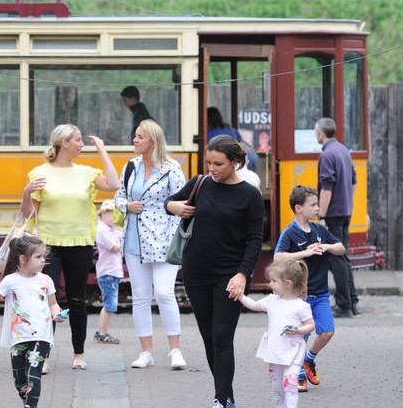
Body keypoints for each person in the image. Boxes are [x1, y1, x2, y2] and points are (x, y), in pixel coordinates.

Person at [165, 134, 264, 408]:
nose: (212, 168)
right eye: (209, 162)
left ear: (235, 163)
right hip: (196, 274)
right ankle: (226, 394)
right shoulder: (200, 183)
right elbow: (170, 202)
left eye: (218, 163)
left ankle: (221, 399)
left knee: (222, 336)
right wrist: (173, 206)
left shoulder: (250, 195)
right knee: (209, 338)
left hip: (230, 275)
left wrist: (243, 273)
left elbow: (255, 239)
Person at [20, 124, 119, 371]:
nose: (81, 144)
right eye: (78, 139)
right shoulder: (39, 173)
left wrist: (102, 150)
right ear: (65, 143)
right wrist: (26, 192)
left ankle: (78, 354)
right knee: (46, 300)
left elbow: (114, 183)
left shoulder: (86, 172)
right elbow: (29, 213)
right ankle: (43, 356)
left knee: (77, 300)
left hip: (80, 243)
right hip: (49, 245)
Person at [114, 119, 188, 370]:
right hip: (134, 240)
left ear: (153, 142)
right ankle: (146, 351)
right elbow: (118, 197)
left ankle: (175, 350)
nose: (134, 140)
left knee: (165, 293)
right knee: (141, 297)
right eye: (135, 136)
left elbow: (184, 204)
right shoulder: (130, 166)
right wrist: (127, 206)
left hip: (164, 240)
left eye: (139, 137)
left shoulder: (172, 169)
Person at [0, 234, 67, 408]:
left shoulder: (45, 280)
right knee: (20, 378)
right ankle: (27, 400)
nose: (43, 261)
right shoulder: (10, 281)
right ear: (23, 259)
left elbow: (53, 304)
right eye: (38, 257)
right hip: (18, 336)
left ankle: (31, 405)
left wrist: (58, 314)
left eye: (43, 257)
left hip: (42, 335)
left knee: (34, 374)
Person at [274, 184, 346, 393]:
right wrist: (304, 253)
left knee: (327, 332)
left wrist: (327, 247)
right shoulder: (290, 233)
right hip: (300, 296)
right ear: (298, 208)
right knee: (301, 336)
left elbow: (341, 249)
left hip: (321, 294)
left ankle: (308, 360)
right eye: (313, 205)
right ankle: (298, 372)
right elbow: (278, 257)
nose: (317, 208)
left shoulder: (320, 230)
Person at [240, 259, 315, 408]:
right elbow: (254, 305)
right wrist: (240, 296)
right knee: (277, 388)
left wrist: (299, 330)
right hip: (275, 350)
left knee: (290, 382)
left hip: (293, 350)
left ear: (288, 283)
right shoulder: (271, 300)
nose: (270, 284)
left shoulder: (301, 306)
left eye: (274, 281)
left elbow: (311, 325)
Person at [314, 117, 359, 318]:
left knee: (336, 259)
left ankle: (343, 305)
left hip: (332, 213)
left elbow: (326, 188)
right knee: (344, 257)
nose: (316, 134)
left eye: (316, 131)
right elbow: (353, 181)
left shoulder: (326, 155)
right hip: (346, 210)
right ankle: (353, 301)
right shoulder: (343, 150)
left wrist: (321, 215)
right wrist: (347, 201)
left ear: (321, 134)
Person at [93, 199, 123, 345]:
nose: (114, 217)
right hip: (108, 272)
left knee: (109, 303)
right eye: (112, 214)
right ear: (103, 214)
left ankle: (101, 331)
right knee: (109, 305)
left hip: (112, 272)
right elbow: (115, 247)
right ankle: (102, 333)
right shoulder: (102, 230)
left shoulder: (111, 230)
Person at [207, 107, 259, 172]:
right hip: (249, 158)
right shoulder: (231, 129)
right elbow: (241, 142)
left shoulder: (209, 133)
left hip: (235, 161)